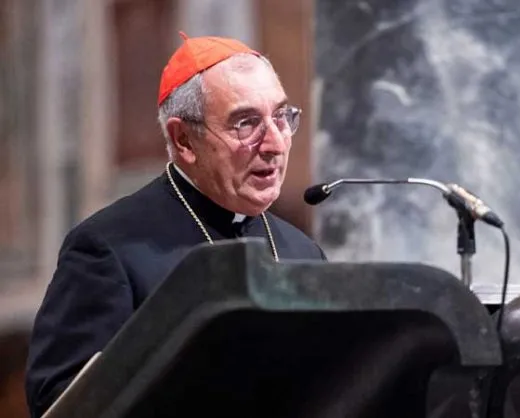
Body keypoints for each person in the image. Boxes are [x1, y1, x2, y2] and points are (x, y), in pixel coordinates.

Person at [25, 33, 326, 418]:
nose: (275, 143)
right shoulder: (109, 249)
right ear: (183, 139)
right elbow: (59, 399)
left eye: (281, 117)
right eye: (246, 123)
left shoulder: (302, 253)